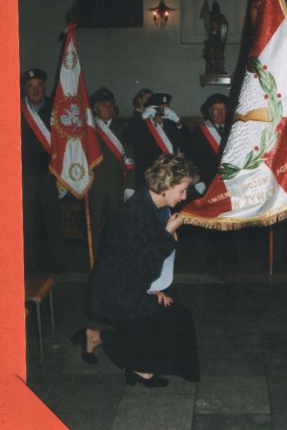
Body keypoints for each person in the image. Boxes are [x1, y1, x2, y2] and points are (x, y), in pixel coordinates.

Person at [73, 153, 200, 388]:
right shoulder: (135, 214)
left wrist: (154, 288)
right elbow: (139, 265)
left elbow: (141, 264)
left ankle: (95, 336)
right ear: (167, 185)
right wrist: (167, 234)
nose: (184, 197)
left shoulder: (152, 205)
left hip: (131, 283)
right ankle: (139, 368)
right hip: (115, 292)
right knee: (171, 318)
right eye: (182, 190)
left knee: (174, 315)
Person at [20, 68, 64, 271]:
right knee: (27, 222)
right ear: (25, 89)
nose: (35, 90)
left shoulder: (56, 108)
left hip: (50, 175)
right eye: (30, 86)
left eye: (39, 85)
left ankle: (57, 262)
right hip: (25, 175)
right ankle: (28, 264)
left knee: (52, 220)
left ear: (44, 87)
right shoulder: (16, 110)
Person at [89, 87, 135, 251]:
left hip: (117, 186)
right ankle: (98, 258)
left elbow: (130, 160)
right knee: (97, 226)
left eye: (110, 104)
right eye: (103, 105)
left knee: (116, 226)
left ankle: (115, 257)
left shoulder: (123, 129)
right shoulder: (89, 129)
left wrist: (130, 186)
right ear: (95, 108)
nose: (108, 108)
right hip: (95, 187)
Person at [127, 92, 189, 188]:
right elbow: (129, 138)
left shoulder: (171, 124)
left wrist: (178, 121)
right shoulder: (143, 126)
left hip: (171, 175)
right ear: (151, 109)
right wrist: (143, 118)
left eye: (165, 108)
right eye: (159, 108)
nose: (162, 112)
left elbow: (187, 140)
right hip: (151, 176)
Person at [189, 93, 229, 187]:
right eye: (216, 110)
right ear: (210, 111)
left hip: (231, 177)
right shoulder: (199, 131)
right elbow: (195, 160)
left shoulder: (235, 129)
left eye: (223, 109)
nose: (220, 113)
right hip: (208, 180)